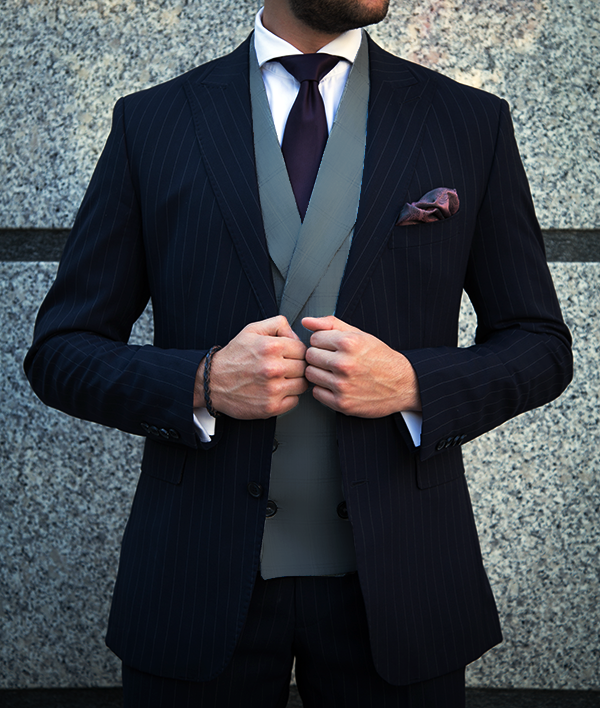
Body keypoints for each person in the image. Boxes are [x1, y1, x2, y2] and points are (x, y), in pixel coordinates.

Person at [24, 0, 573, 706]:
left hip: (405, 586)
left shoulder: (470, 121)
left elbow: (540, 346)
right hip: (193, 579)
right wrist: (201, 381)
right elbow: (61, 351)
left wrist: (414, 383)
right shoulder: (152, 122)